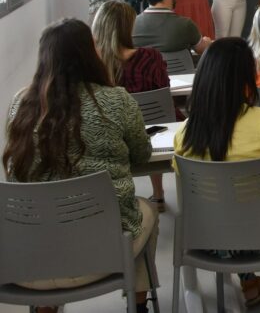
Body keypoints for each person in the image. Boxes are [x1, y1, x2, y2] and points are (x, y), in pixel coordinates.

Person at [3, 19, 158, 312]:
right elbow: (141, 154)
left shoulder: (19, 106)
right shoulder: (117, 101)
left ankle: (45, 307)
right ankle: (138, 306)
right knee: (146, 210)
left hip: (30, 253)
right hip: (105, 250)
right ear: (91, 53)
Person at [173, 37, 260, 306]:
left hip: (211, 239)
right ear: (247, 79)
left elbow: (188, 198)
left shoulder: (185, 134)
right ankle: (250, 279)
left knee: (229, 201)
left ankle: (249, 281)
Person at [93, 0, 178, 212]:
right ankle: (158, 194)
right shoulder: (150, 57)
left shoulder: (95, 64)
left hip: (114, 133)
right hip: (158, 127)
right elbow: (164, 90)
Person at [133, 0, 212, 54]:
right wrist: (207, 43)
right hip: (181, 66)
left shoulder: (131, 25)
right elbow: (202, 50)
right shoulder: (186, 24)